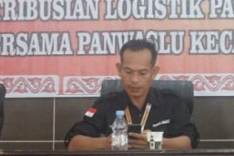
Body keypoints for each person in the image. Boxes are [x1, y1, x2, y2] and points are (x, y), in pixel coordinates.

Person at [65, 39, 199, 150]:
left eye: (142, 73)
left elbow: (189, 142)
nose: (134, 80)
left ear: (153, 72)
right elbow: (73, 143)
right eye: (128, 72)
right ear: (119, 69)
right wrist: (105, 143)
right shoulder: (106, 104)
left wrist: (154, 142)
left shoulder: (172, 102)